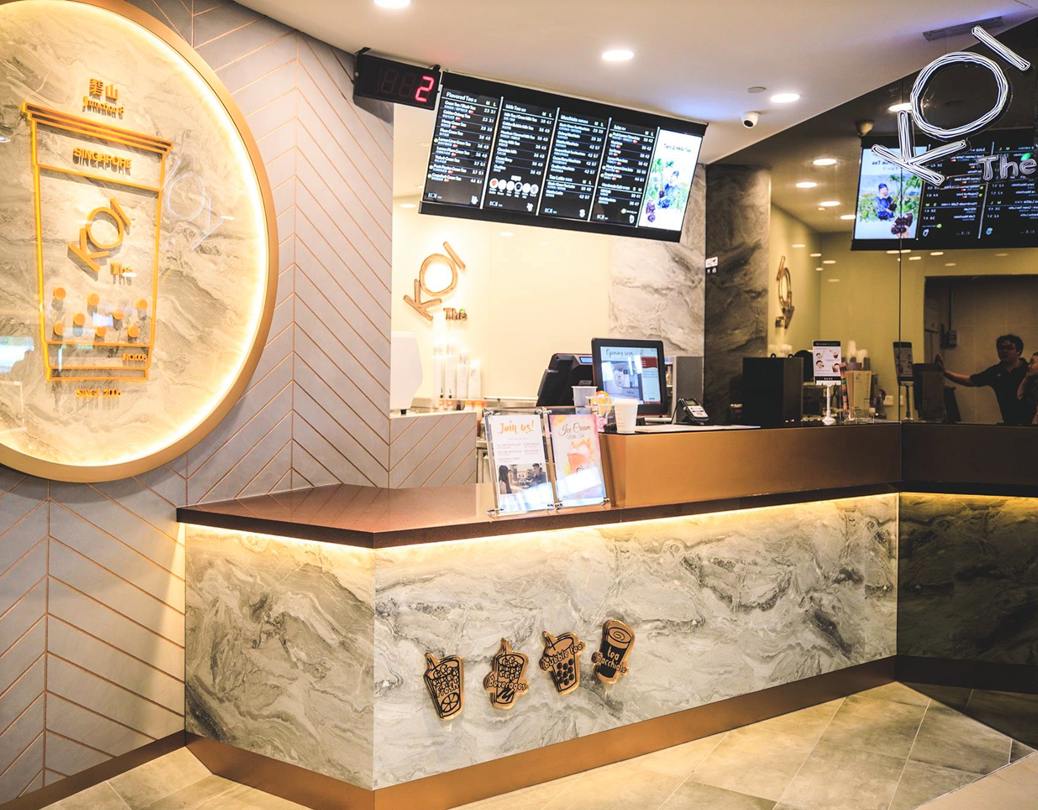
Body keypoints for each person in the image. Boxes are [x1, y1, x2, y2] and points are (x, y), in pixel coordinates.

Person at [936, 334, 1035, 425]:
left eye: (1009, 348)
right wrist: (945, 372)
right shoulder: (995, 371)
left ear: (1019, 351)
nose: (1004, 351)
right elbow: (970, 380)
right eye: (1001, 348)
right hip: (1009, 423)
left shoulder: (1029, 369)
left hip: (1033, 423)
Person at [1017, 351, 1038, 425]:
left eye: (1032, 363)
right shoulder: (1033, 384)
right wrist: (1026, 377)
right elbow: (1020, 397)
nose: (1028, 366)